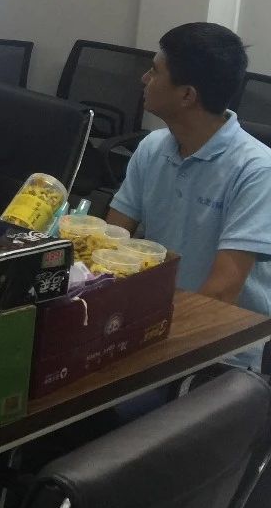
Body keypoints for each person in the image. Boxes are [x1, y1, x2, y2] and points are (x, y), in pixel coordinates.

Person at [108, 23, 271, 369]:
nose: (143, 79)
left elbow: (221, 294)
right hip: (153, 326)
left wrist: (145, 347)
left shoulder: (257, 171)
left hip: (223, 354)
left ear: (187, 95)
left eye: (155, 71)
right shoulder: (153, 147)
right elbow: (111, 241)